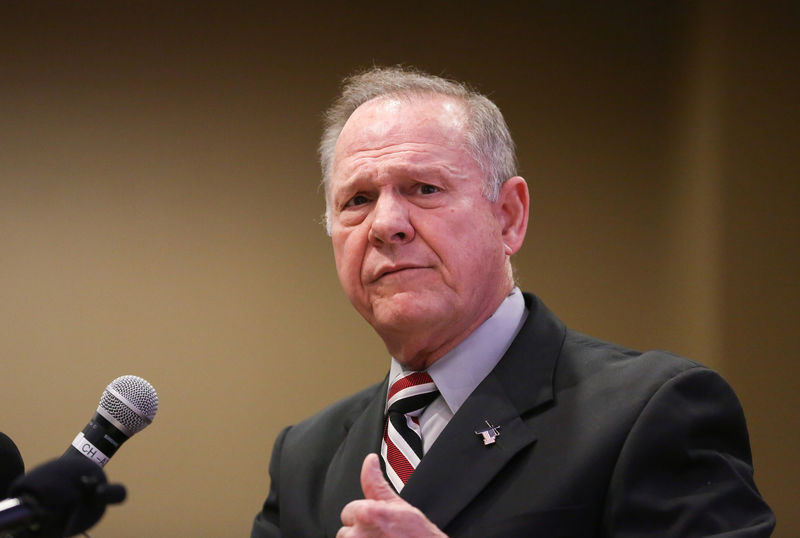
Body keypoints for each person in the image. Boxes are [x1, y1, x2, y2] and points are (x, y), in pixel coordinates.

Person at [251, 66, 775, 537]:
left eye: (425, 189)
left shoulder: (651, 412)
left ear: (508, 216)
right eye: (357, 200)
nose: (387, 224)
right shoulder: (304, 458)